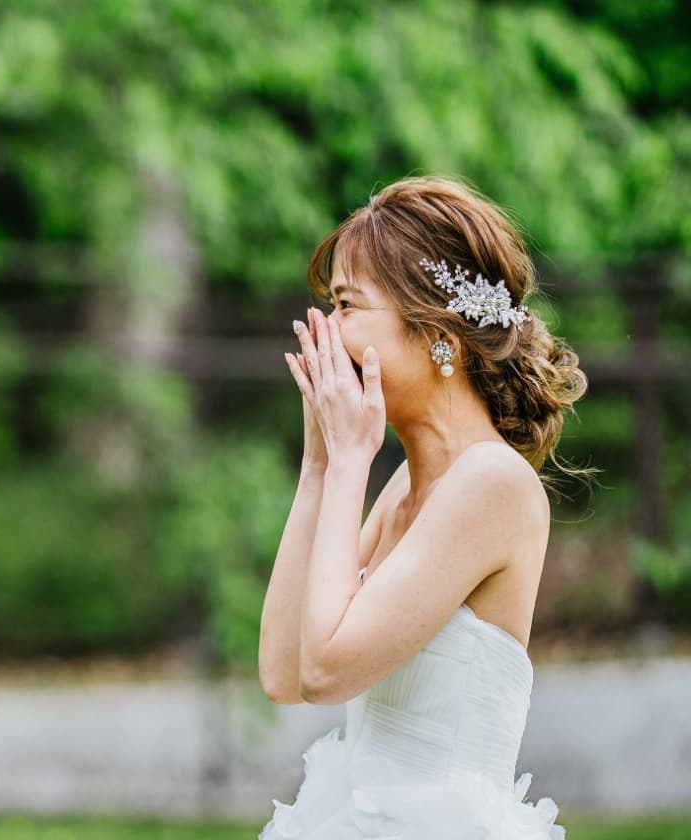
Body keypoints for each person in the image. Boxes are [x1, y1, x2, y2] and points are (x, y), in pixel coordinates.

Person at [257, 176, 586, 838]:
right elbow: (283, 670)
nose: (325, 331)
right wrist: (320, 464)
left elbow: (325, 672)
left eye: (348, 306)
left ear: (439, 333)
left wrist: (350, 460)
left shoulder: (491, 483)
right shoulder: (407, 483)